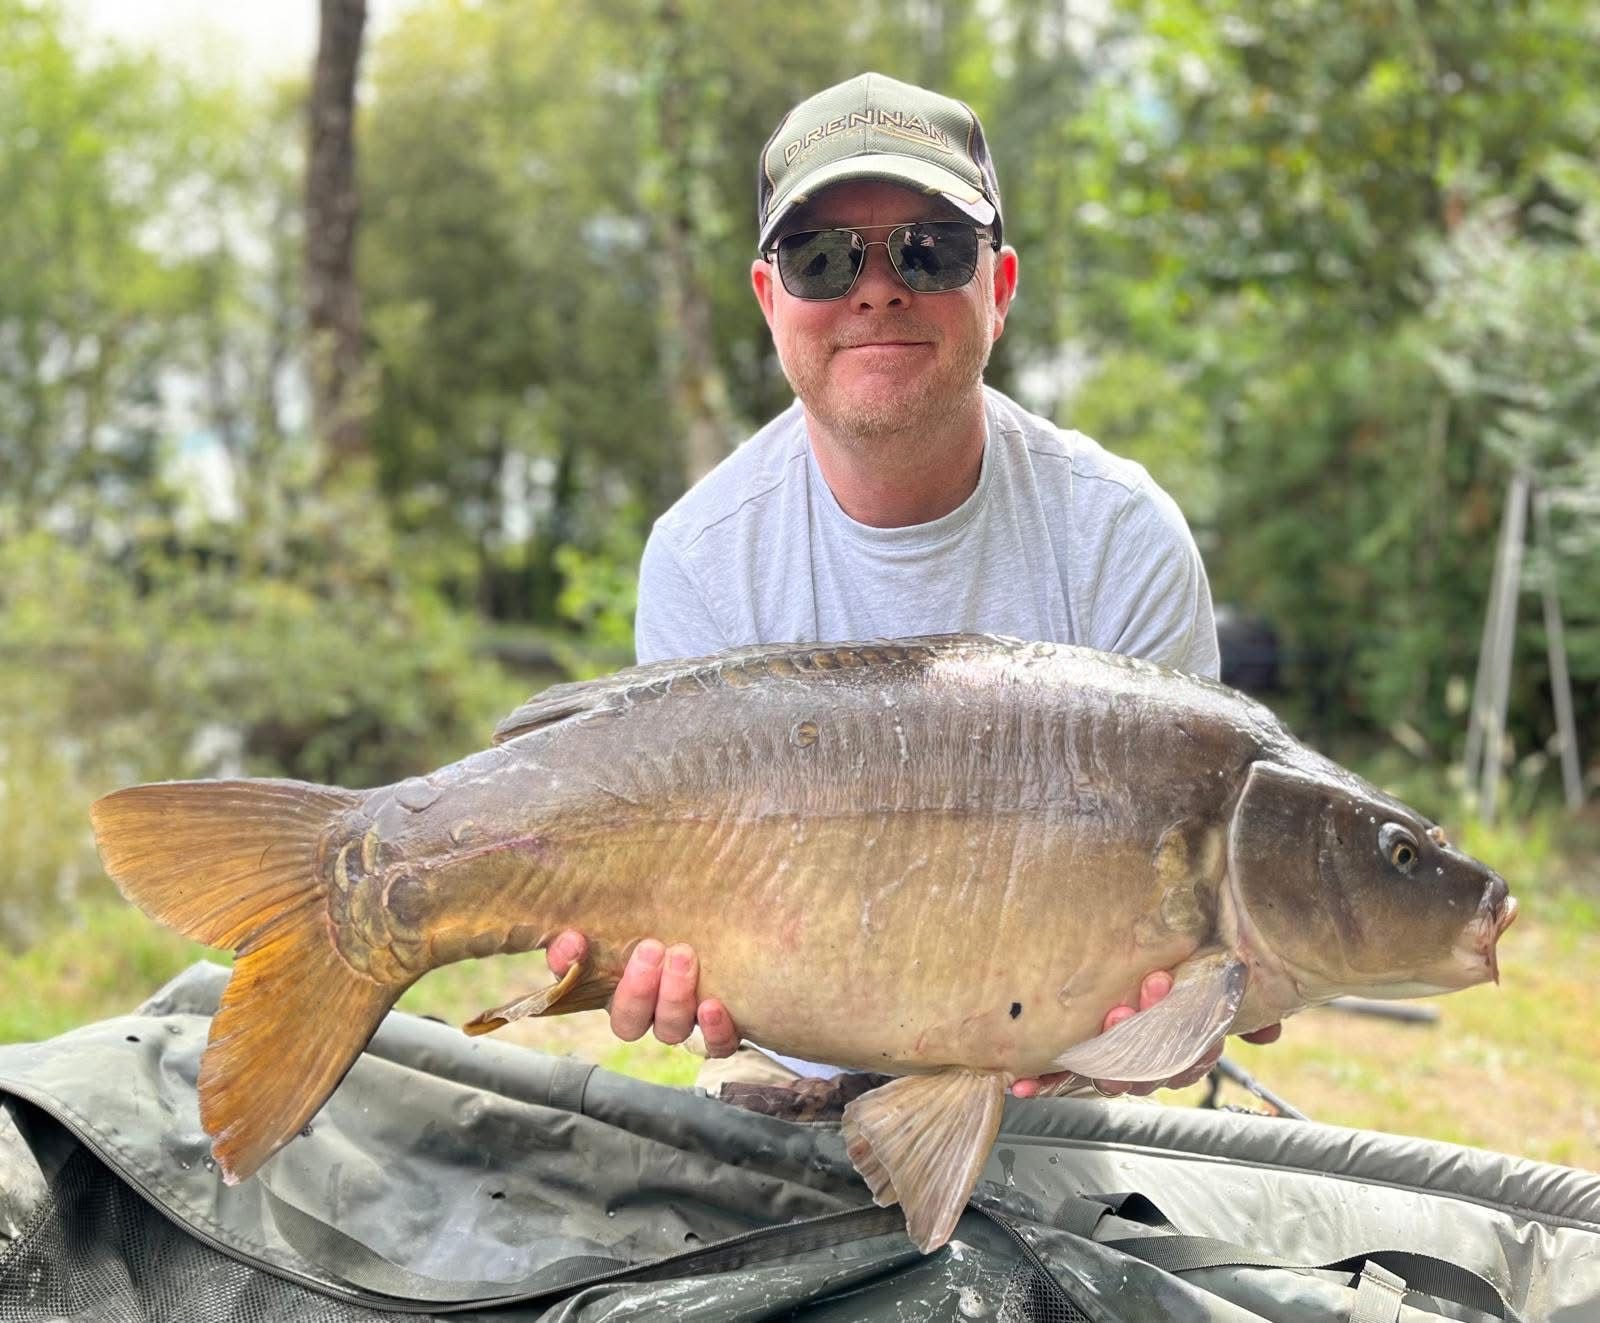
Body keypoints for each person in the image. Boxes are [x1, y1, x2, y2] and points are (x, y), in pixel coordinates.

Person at [551, 71, 1279, 1098]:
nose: (878, 287)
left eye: (930, 249)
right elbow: (681, 917)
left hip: (1063, 1102)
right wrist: (652, 975)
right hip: (779, 1073)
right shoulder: (700, 555)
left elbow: (1191, 959)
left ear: (1002, 287)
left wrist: (1161, 1031)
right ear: (770, 301)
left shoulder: (1120, 536)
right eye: (820, 257)